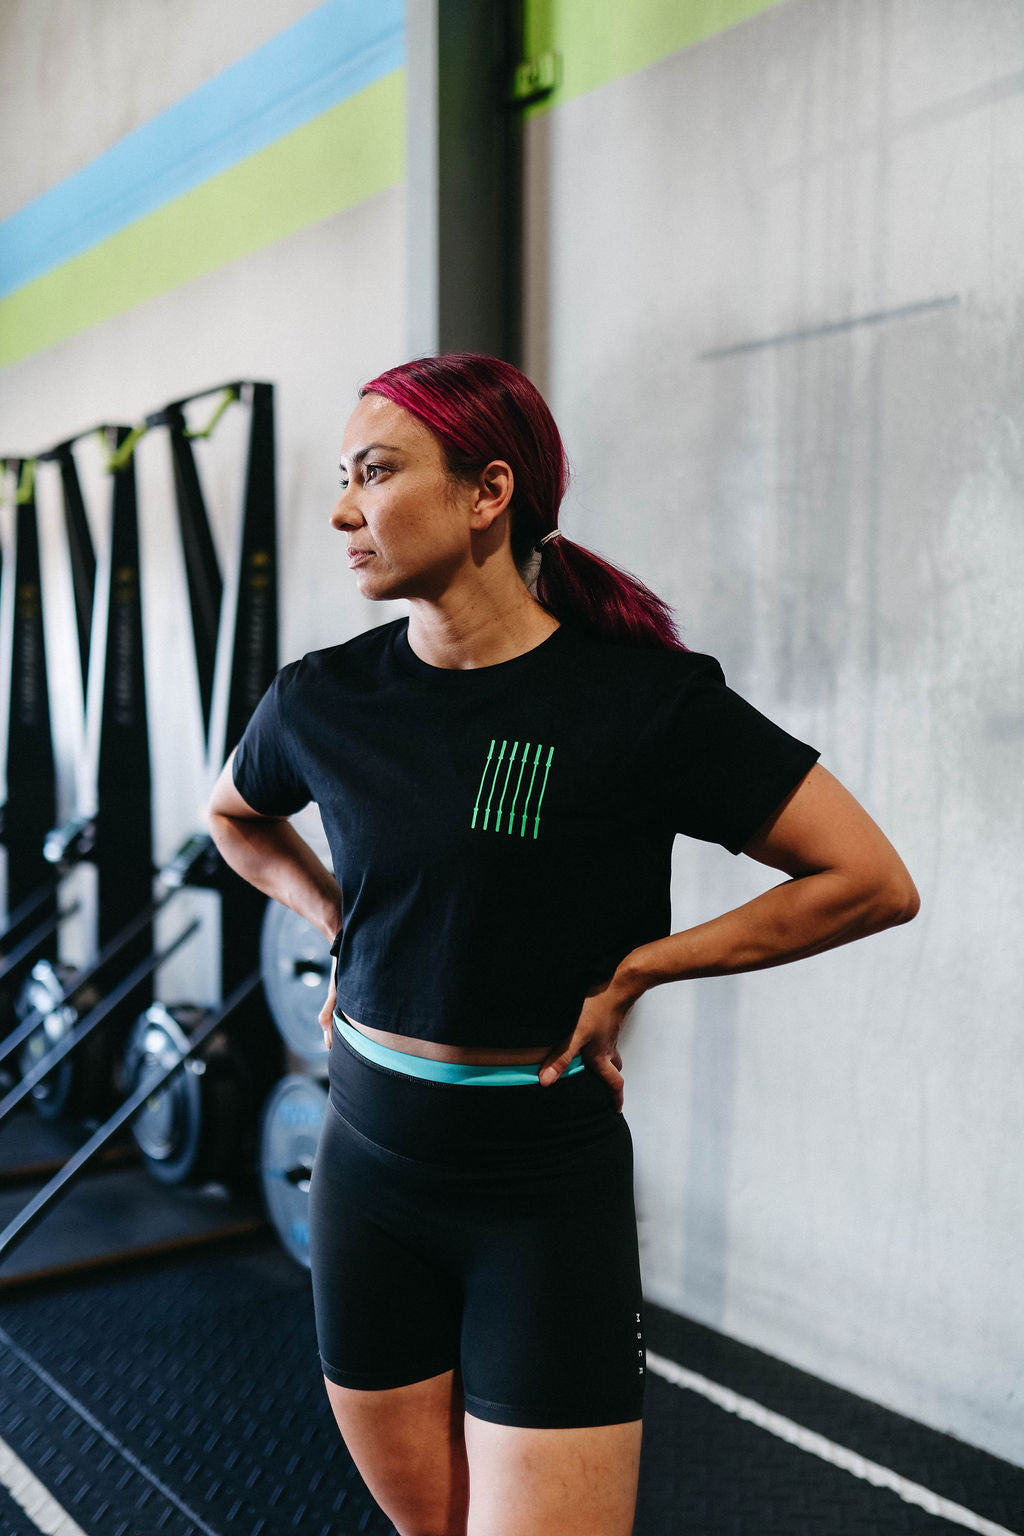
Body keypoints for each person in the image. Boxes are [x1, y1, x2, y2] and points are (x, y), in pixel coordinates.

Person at [208, 353, 919, 1536]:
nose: (341, 511)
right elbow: (232, 816)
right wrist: (339, 923)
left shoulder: (642, 705)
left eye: (374, 474)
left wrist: (646, 965)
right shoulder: (321, 700)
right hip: (364, 1175)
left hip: (541, 1200)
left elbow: (867, 879)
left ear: (490, 492)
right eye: (343, 477)